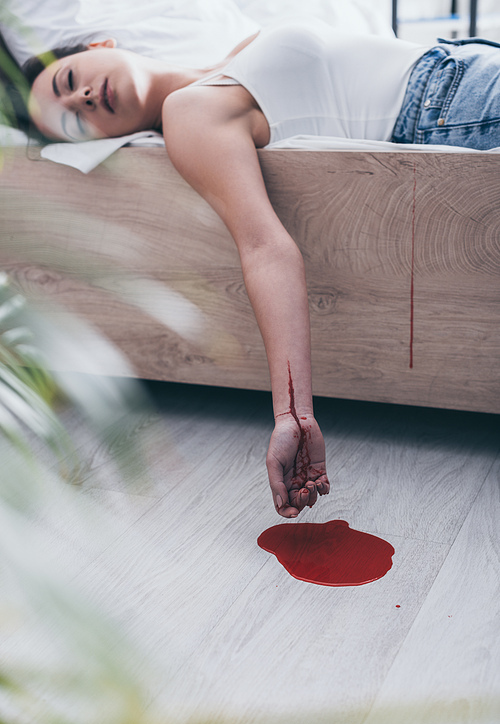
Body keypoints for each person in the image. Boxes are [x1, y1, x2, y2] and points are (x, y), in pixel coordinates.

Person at [25, 19, 500, 517]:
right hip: (455, 106)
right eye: (74, 120)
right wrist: (292, 415)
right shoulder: (188, 114)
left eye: (68, 80)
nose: (81, 98)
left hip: (464, 69)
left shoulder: (231, 60)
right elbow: (264, 247)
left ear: (101, 45)